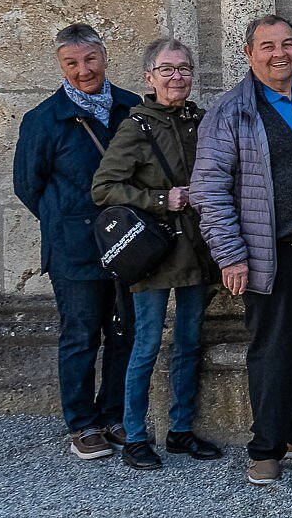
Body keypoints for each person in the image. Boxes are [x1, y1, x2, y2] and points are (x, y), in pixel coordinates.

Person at [192, 15, 292, 485]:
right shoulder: (232, 111)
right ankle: (266, 447)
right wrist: (231, 255)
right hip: (271, 252)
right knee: (274, 352)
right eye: (267, 46)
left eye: (287, 43)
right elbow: (209, 188)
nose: (279, 53)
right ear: (249, 53)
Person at [89, 38, 223, 470]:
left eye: (183, 69)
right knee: (146, 343)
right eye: (167, 70)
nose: (176, 78)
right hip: (155, 252)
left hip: (195, 251)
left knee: (188, 343)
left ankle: (181, 430)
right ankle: (135, 435)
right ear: (149, 77)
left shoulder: (200, 120)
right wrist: (164, 199)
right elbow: (103, 188)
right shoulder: (136, 127)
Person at [15, 24, 138, 460]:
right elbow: (28, 186)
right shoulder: (43, 120)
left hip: (128, 245)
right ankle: (82, 424)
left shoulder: (131, 107)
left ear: (105, 57)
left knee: (126, 332)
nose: (83, 71)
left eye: (90, 60)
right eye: (72, 63)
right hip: (75, 248)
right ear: (61, 65)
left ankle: (115, 415)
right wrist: (69, 223)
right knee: (82, 335)